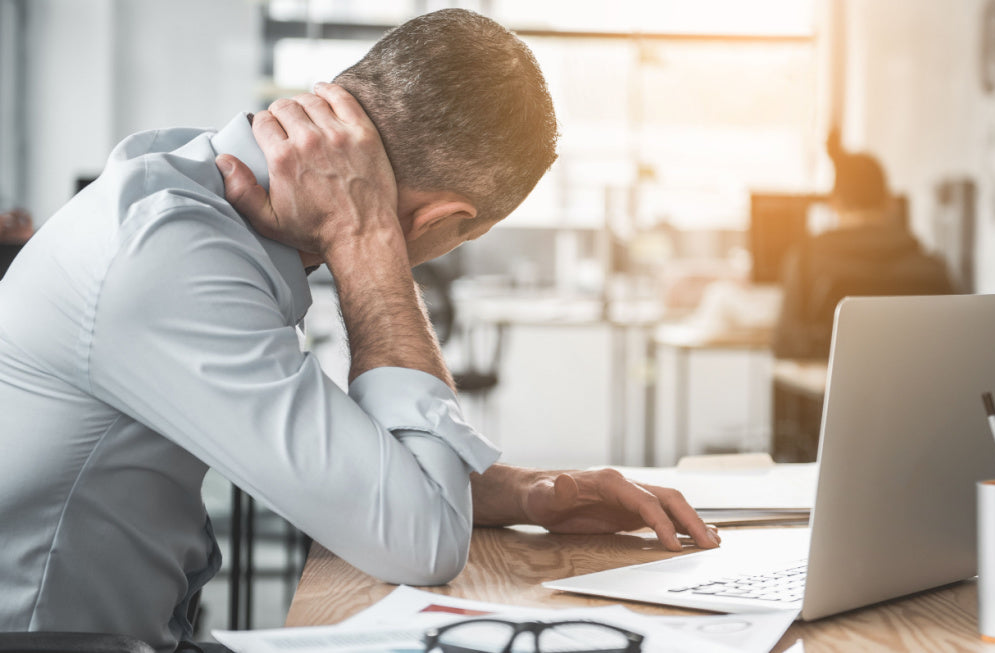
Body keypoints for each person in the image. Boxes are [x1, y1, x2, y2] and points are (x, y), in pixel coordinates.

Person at [0, 10, 717, 652]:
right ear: (437, 221)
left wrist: (531, 491)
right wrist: (367, 242)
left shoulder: (186, 186)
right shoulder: (170, 256)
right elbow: (420, 544)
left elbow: (339, 454)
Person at [773, 128, 955, 359]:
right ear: (889, 202)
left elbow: (784, 345)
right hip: (916, 393)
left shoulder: (805, 264)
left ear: (834, 203)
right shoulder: (932, 269)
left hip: (830, 394)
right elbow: (953, 343)